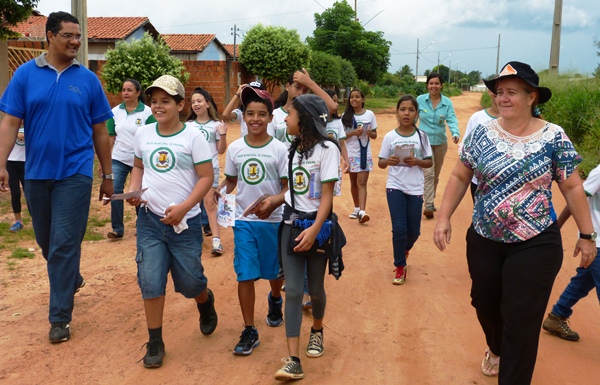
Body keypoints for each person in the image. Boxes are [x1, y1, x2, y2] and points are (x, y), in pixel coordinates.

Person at [433, 61, 596, 385]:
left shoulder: (554, 136)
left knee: (522, 319)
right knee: (485, 301)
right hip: (485, 236)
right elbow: (460, 174)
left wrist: (586, 233)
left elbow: (573, 185)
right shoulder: (482, 132)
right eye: (499, 92)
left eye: (511, 92)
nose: (502, 98)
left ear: (531, 97)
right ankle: (496, 346)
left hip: (536, 241)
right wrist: (443, 217)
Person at [0, 11, 114, 343]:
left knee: (64, 243)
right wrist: (2, 163)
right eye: (69, 35)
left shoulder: (88, 80)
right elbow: (9, 122)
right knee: (46, 241)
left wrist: (107, 175)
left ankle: (59, 317)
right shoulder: (24, 75)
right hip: (36, 172)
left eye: (78, 36)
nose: (76, 42)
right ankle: (70, 277)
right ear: (50, 36)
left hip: (75, 172)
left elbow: (100, 131)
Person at [126, 75, 218, 368]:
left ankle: (204, 301)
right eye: (154, 101)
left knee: (190, 283)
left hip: (185, 224)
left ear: (180, 105)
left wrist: (185, 207)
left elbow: (206, 177)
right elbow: (139, 167)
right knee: (150, 280)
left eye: (166, 101)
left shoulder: (193, 137)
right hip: (150, 221)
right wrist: (136, 192)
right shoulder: (144, 134)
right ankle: (155, 341)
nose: (158, 106)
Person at [274, 94, 341, 381]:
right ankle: (293, 359)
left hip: (318, 228)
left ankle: (317, 329)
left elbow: (326, 197)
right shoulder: (292, 148)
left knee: (315, 289)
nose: (286, 118)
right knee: (292, 290)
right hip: (291, 224)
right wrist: (274, 201)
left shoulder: (327, 150)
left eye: (290, 114)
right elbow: (293, 191)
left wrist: (314, 230)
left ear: (305, 119)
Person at [220, 86, 288, 356]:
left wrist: (274, 201)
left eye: (261, 114)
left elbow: (287, 188)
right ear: (243, 117)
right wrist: (220, 190)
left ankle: (274, 298)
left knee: (273, 274)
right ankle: (249, 329)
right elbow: (232, 180)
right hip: (244, 221)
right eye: (250, 114)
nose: (255, 119)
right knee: (245, 273)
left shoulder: (280, 149)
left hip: (273, 221)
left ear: (271, 118)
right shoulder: (236, 148)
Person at [378, 95, 433, 285]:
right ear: (397, 113)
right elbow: (381, 163)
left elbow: (429, 162)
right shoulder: (390, 137)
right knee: (399, 228)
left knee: (414, 231)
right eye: (402, 109)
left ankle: (405, 248)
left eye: (411, 110)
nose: (406, 113)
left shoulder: (422, 137)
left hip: (415, 188)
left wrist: (417, 161)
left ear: (416, 114)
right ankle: (400, 266)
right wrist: (388, 161)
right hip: (395, 186)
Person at [542, 163, 600, 342]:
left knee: (584, 280)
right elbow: (576, 198)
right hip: (597, 241)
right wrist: (557, 226)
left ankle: (557, 316)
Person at [105, 78, 155, 240]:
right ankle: (117, 229)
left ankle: (142, 226)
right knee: (115, 191)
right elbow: (111, 136)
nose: (125, 93)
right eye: (123, 90)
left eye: (129, 90)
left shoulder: (147, 112)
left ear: (138, 93)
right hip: (118, 157)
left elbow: (153, 134)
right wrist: (105, 160)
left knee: (137, 193)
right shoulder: (115, 112)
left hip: (140, 161)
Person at [187, 87, 227, 256]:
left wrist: (223, 134)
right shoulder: (188, 126)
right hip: (191, 170)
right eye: (193, 102)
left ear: (208, 103)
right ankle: (192, 241)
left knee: (209, 205)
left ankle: (216, 242)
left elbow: (221, 150)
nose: (196, 104)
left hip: (211, 170)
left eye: (199, 101)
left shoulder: (216, 125)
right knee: (191, 204)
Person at [417, 72, 459, 219]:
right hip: (424, 142)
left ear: (441, 85)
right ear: (427, 85)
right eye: (431, 83)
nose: (433, 86)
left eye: (436, 83)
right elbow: (413, 118)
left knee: (436, 174)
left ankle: (430, 199)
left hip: (441, 143)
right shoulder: (420, 100)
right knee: (428, 172)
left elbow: (452, 119)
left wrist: (455, 132)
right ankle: (428, 204)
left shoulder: (447, 102)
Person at [272, 70, 338, 149]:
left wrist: (310, 83)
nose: (300, 93)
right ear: (287, 86)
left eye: (305, 90)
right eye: (297, 87)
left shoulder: (310, 113)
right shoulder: (274, 115)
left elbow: (332, 107)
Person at [342, 88, 377, 224]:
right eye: (352, 97)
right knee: (353, 182)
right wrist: (353, 133)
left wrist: (369, 133)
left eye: (357, 97)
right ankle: (356, 208)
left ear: (363, 99)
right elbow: (342, 136)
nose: (354, 99)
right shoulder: (346, 116)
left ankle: (362, 211)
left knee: (361, 182)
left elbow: (375, 135)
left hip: (364, 153)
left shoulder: (370, 114)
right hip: (350, 154)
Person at [462, 88, 499, 200]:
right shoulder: (477, 118)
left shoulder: (518, 121)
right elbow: (466, 152)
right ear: (489, 91)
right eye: (498, 89)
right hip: (479, 182)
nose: (499, 94)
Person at [6, 124, 26, 232]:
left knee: (30, 193)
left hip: (26, 162)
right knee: (15, 193)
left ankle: (38, 220)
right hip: (11, 162)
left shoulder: (32, 125)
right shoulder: (11, 125)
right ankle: (18, 221)